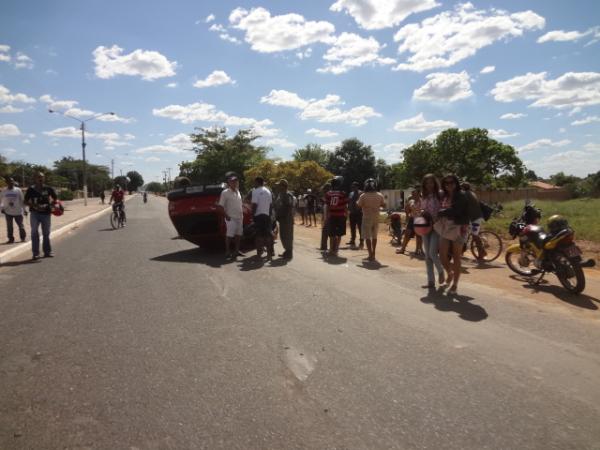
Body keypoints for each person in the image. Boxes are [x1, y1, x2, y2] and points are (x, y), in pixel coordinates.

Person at [435, 174, 470, 294]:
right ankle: (450, 273)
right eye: (446, 183)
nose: (449, 185)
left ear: (456, 183)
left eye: (452, 183)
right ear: (443, 185)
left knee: (456, 257)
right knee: (442, 256)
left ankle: (455, 285)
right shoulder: (444, 195)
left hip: (460, 227)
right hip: (446, 227)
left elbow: (457, 211)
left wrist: (441, 212)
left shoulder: (461, 195)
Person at [418, 174, 445, 288]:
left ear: (435, 183)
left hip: (437, 227)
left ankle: (441, 271)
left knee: (432, 253)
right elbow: (421, 209)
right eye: (427, 183)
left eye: (431, 182)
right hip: (425, 227)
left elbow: (445, 209)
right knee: (427, 255)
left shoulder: (440, 194)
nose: (429, 185)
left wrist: (437, 217)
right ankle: (430, 281)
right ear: (424, 184)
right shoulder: (423, 196)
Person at [24, 172, 58, 259]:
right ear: (35, 178)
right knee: (34, 233)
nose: (40, 179)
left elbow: (55, 198)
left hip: (46, 214)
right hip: (35, 214)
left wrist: (51, 204)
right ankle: (36, 253)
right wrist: (35, 205)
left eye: (42, 177)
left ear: (44, 178)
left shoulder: (48, 188)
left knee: (46, 233)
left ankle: (47, 252)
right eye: (38, 177)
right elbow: (25, 201)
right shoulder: (31, 189)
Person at [357, 178, 385, 262]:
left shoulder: (363, 195)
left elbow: (358, 206)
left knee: (367, 237)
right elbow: (384, 205)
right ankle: (373, 254)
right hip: (376, 217)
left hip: (366, 218)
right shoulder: (380, 195)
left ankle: (370, 254)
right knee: (374, 236)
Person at [217, 174, 244, 259]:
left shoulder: (238, 191)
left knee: (238, 235)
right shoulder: (225, 193)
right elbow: (220, 206)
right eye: (232, 181)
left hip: (239, 217)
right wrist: (226, 216)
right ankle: (227, 251)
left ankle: (236, 251)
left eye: (236, 181)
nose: (235, 183)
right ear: (229, 183)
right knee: (229, 235)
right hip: (231, 217)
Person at [462, 182, 486, 260]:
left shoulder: (466, 194)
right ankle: (462, 250)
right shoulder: (471, 193)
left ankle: (482, 253)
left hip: (475, 218)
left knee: (474, 235)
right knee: (469, 233)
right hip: (475, 217)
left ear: (463, 188)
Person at [324, 176, 347, 257]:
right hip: (341, 216)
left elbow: (327, 206)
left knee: (332, 234)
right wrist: (346, 215)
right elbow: (345, 206)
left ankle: (331, 250)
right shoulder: (343, 194)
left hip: (332, 216)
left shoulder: (328, 194)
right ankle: (336, 250)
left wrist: (326, 217)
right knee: (339, 234)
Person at [251, 177, 274, 259]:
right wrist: (270, 215)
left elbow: (254, 205)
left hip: (259, 216)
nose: (254, 184)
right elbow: (271, 205)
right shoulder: (268, 191)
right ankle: (269, 254)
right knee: (268, 235)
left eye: (254, 182)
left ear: (257, 182)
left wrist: (252, 215)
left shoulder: (255, 191)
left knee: (259, 236)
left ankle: (259, 254)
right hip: (267, 215)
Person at [1, 177, 27, 243]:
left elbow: (22, 200)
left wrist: (24, 209)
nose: (11, 182)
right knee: (9, 227)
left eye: (12, 181)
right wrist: (2, 208)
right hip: (8, 212)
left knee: (21, 226)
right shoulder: (4, 191)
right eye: (10, 181)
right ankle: (11, 239)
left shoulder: (18, 190)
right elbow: (1, 200)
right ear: (7, 183)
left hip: (18, 211)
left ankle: (23, 238)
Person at [398, 188, 423, 255]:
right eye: (412, 194)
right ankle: (402, 249)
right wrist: (407, 216)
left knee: (418, 236)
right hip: (412, 219)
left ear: (418, 194)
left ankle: (417, 250)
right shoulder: (411, 201)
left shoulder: (422, 201)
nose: (413, 195)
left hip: (419, 220)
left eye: (415, 194)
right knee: (407, 234)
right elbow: (406, 208)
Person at [274, 179, 294, 259]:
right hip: (282, 219)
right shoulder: (281, 194)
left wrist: (283, 216)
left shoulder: (287, 194)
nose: (278, 186)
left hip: (286, 219)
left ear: (283, 186)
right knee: (283, 235)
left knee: (287, 235)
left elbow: (289, 206)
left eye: (279, 185)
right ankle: (287, 251)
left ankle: (289, 252)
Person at [347, 181, 364, 249]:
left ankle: (361, 241)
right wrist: (348, 208)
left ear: (357, 187)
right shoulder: (351, 193)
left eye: (354, 186)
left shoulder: (361, 193)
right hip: (352, 213)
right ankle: (352, 240)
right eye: (352, 187)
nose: (353, 188)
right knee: (352, 227)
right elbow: (349, 201)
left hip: (359, 213)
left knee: (360, 228)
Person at [320, 182, 332, 251]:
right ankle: (324, 246)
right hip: (326, 215)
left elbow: (329, 207)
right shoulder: (326, 196)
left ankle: (327, 247)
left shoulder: (329, 195)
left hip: (329, 216)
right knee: (325, 231)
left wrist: (326, 217)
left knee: (328, 232)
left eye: (324, 189)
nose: (323, 191)